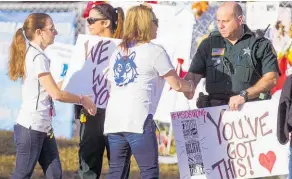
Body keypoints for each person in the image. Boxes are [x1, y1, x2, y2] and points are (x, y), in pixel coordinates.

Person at [104, 3, 195, 179]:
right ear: (146, 24)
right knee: (149, 173)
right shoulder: (155, 51)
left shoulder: (118, 51)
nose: (157, 25)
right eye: (155, 21)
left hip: (114, 120)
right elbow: (176, 84)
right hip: (138, 119)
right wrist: (190, 86)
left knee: (116, 172)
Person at [8, 13, 96, 179]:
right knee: (22, 174)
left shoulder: (37, 55)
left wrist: (80, 67)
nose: (55, 32)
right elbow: (56, 94)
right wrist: (82, 99)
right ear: (39, 32)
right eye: (52, 29)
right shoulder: (37, 56)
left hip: (43, 127)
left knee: (54, 174)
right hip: (31, 127)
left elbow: (54, 88)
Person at [184, 1, 280, 110]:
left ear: (239, 20)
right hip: (215, 112)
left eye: (225, 21)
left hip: (250, 110)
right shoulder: (209, 44)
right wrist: (187, 85)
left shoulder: (259, 44)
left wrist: (244, 95)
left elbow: (272, 79)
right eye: (218, 21)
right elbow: (193, 76)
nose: (220, 26)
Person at [78, 2, 125, 179]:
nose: (88, 23)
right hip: (91, 111)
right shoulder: (86, 45)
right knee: (88, 163)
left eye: (92, 20)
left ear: (105, 23)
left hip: (116, 112)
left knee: (118, 163)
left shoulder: (124, 47)